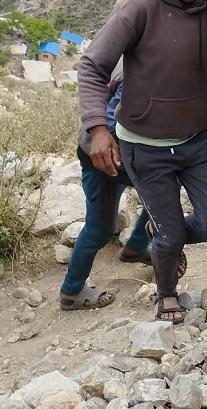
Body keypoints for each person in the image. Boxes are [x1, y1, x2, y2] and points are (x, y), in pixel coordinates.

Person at [78, 0, 207, 324]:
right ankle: (166, 293)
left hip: (196, 141)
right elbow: (92, 67)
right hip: (144, 145)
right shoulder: (137, 7)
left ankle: (163, 239)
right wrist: (97, 129)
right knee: (171, 233)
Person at [59, 74, 154, 310]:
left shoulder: (151, 56)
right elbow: (111, 124)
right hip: (101, 158)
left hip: (122, 156)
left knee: (159, 200)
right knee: (100, 228)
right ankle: (71, 292)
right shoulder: (139, 70)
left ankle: (136, 248)